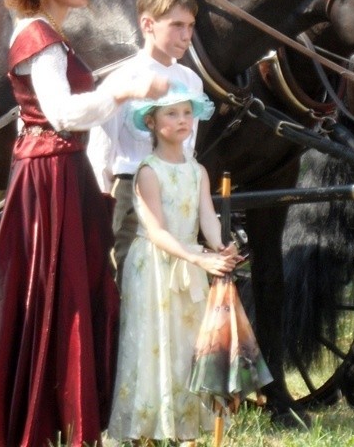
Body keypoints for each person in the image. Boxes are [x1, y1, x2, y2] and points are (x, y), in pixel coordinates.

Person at [0, 0, 168, 447]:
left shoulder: (46, 35)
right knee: (58, 291)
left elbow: (32, 120)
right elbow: (60, 114)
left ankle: (57, 412)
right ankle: (50, 417)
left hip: (56, 168)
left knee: (68, 288)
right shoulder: (39, 38)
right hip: (51, 174)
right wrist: (120, 89)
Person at [107, 83, 240, 444]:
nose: (182, 120)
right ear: (151, 122)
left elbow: (207, 217)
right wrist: (197, 255)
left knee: (187, 342)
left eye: (186, 113)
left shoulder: (197, 170)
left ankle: (184, 424)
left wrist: (220, 246)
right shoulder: (148, 172)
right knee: (154, 341)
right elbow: (157, 232)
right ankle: (147, 426)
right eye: (172, 113)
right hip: (155, 264)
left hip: (190, 262)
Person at [88, 0, 203, 285]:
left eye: (190, 25)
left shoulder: (190, 80)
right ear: (148, 24)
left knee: (176, 279)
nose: (186, 35)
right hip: (131, 194)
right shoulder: (123, 78)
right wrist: (100, 207)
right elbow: (101, 150)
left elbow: (189, 145)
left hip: (177, 189)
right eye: (177, 24)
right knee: (131, 277)